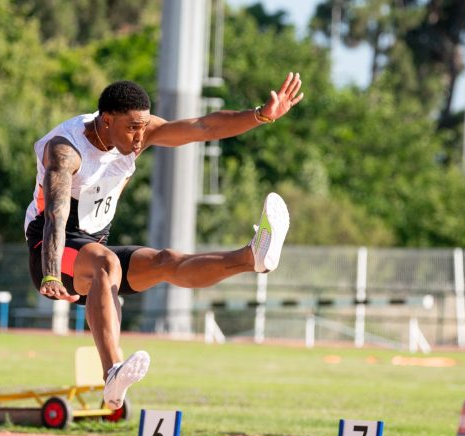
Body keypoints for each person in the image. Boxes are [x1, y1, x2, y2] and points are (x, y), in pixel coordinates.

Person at [24, 72, 304, 411]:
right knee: (106, 262)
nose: (141, 139)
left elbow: (204, 127)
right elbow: (55, 213)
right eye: (132, 129)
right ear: (107, 120)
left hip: (93, 245)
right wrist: (51, 272)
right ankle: (113, 370)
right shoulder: (65, 150)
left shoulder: (139, 130)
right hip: (50, 249)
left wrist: (260, 115)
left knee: (166, 261)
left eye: (144, 127)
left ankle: (251, 258)